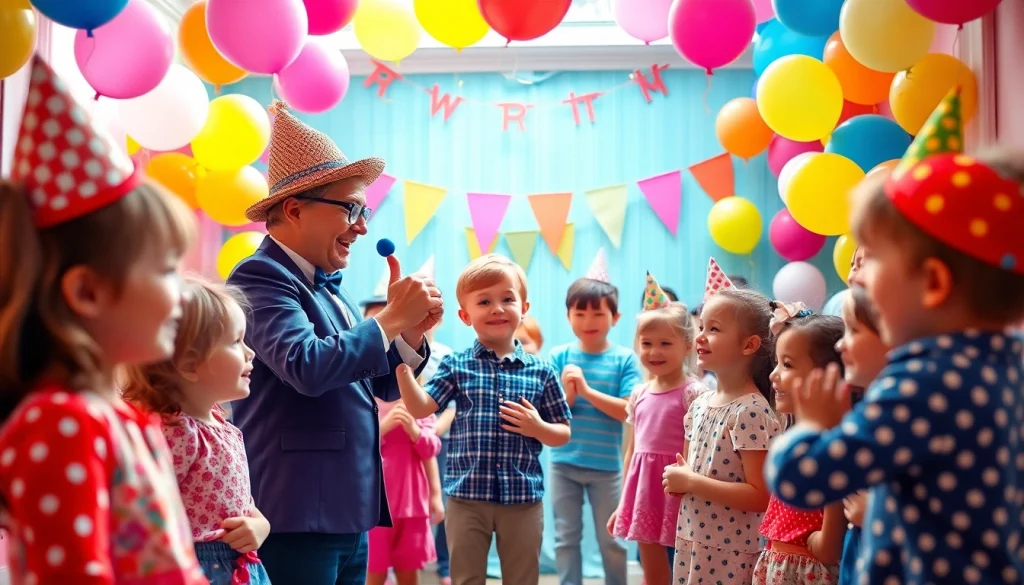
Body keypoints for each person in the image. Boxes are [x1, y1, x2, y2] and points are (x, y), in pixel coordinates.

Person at [763, 90, 1024, 583]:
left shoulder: (920, 383)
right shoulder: (1008, 364)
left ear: (932, 283)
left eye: (874, 258)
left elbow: (800, 478)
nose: (858, 274)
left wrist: (814, 425)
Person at [0, 56, 206, 583]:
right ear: (87, 291)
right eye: (165, 270)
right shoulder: (59, 422)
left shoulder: (113, 417)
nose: (181, 294)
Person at [225, 101, 443, 585]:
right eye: (351, 209)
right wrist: (388, 319)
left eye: (363, 210)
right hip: (295, 508)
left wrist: (409, 332)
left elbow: (381, 387)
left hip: (347, 507)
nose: (363, 226)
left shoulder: (330, 287)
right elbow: (306, 366)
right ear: (295, 209)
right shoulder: (260, 276)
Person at [392, 253, 572, 585]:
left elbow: (562, 432)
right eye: (484, 301)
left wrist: (538, 428)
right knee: (466, 577)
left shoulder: (543, 370)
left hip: (522, 498)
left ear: (524, 308)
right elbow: (421, 408)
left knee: (522, 577)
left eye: (507, 298)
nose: (497, 308)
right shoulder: (456, 365)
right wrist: (402, 370)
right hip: (466, 498)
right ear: (465, 315)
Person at [121, 279, 272, 585]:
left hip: (240, 566)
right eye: (235, 342)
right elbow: (143, 516)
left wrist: (260, 525)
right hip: (199, 570)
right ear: (190, 365)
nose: (250, 353)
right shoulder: (176, 433)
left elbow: (240, 502)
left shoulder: (220, 425)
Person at [664, 273, 782, 585]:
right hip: (694, 541)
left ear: (749, 345)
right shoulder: (700, 403)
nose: (700, 336)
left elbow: (760, 496)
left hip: (731, 552)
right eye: (700, 326)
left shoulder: (751, 411)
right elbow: (688, 471)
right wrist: (679, 480)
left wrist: (690, 481)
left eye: (713, 329)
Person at [550, 250, 641, 585]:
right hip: (563, 463)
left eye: (598, 313)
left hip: (607, 468)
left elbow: (629, 411)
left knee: (613, 539)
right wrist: (569, 396)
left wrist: (585, 391)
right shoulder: (558, 355)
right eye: (580, 312)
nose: (589, 321)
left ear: (614, 318)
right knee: (565, 538)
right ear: (569, 316)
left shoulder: (625, 358)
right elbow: (551, 413)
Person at [609, 274, 701, 585]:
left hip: (678, 489)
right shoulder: (639, 394)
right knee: (652, 570)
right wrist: (623, 501)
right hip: (644, 491)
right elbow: (632, 450)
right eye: (647, 344)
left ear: (687, 345)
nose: (655, 352)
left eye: (665, 343)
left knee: (685, 565)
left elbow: (697, 449)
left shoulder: (694, 393)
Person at [754, 303, 846, 585]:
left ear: (829, 376)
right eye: (777, 363)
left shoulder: (834, 446)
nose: (774, 375)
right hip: (777, 564)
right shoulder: (794, 434)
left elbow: (829, 548)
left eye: (788, 365)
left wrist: (814, 543)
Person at [833, 287, 889, 585]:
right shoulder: (866, 407)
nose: (840, 344)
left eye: (853, 330)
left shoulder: (900, 412)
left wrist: (877, 514)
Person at [368, 399, 441, 585]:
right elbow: (356, 445)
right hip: (375, 504)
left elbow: (431, 450)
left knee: (409, 568)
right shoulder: (367, 400)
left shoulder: (418, 404)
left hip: (412, 503)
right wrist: (382, 428)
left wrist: (436, 496)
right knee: (374, 569)